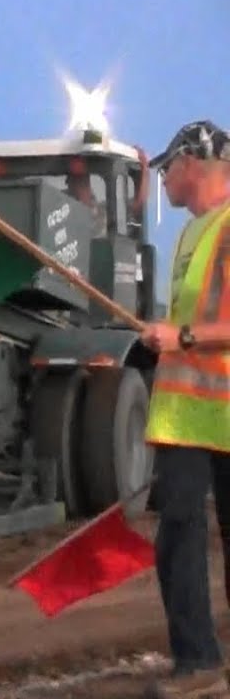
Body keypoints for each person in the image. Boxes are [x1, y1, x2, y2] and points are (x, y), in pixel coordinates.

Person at [139, 119, 230, 699]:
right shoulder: (193, 234)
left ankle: (199, 664)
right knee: (178, 534)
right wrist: (171, 336)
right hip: (190, 418)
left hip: (216, 411)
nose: (164, 179)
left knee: (183, 535)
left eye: (167, 168)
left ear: (192, 164)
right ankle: (199, 662)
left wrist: (183, 337)